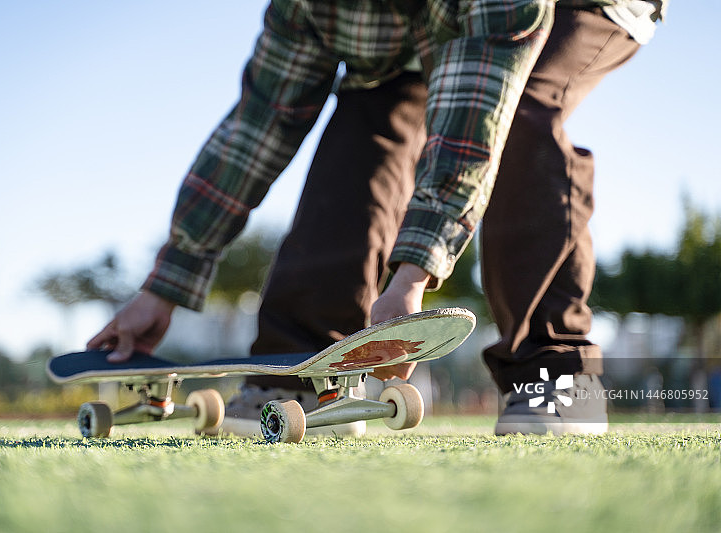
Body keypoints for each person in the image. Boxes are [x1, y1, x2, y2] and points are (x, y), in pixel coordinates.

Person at [88, 1, 667, 435]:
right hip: (410, 41)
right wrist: (165, 285)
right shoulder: (307, 8)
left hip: (564, 8)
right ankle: (304, 375)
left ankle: (555, 372)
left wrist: (412, 275)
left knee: (518, 113)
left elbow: (470, 128)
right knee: (361, 136)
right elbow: (258, 127)